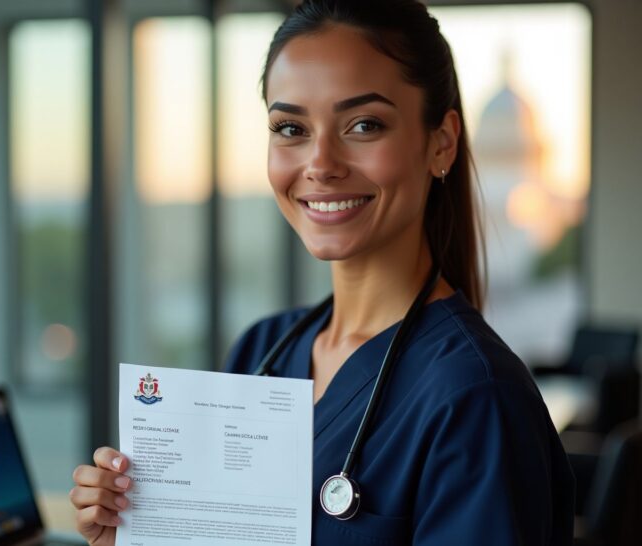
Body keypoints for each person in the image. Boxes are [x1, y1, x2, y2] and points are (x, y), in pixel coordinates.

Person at [69, 1, 576, 544]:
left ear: (440, 143)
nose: (321, 163)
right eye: (291, 128)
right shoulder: (260, 354)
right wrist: (137, 533)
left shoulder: (475, 400)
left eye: (363, 124)